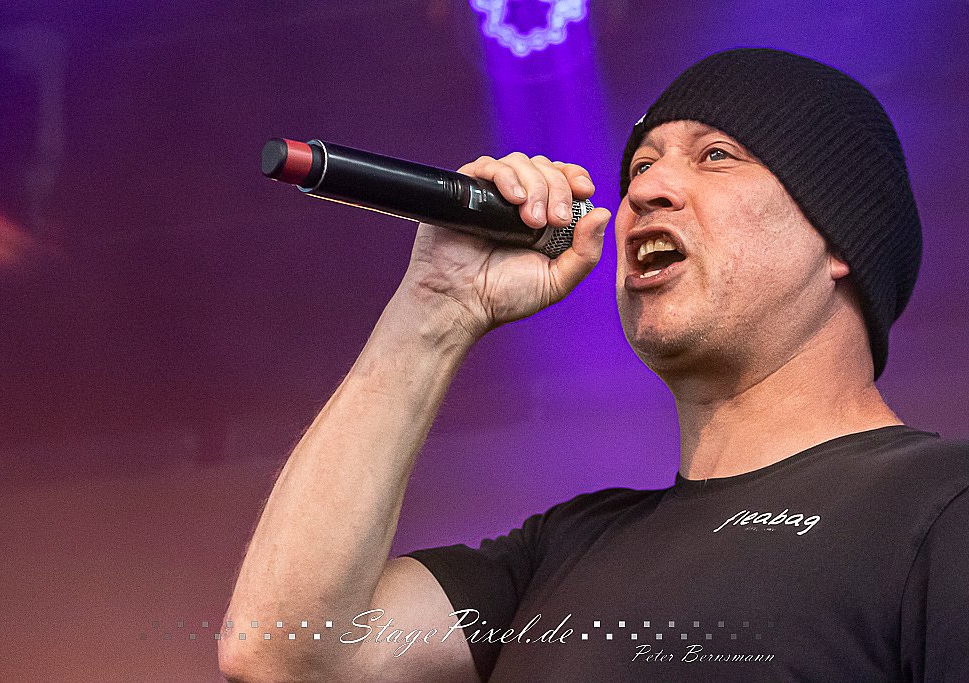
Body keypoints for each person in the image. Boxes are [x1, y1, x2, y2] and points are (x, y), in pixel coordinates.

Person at [219, 48, 969, 682]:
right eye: (641, 165)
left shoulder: (941, 508)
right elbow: (282, 652)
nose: (643, 190)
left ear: (840, 238)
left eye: (716, 155)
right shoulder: (561, 551)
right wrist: (436, 307)